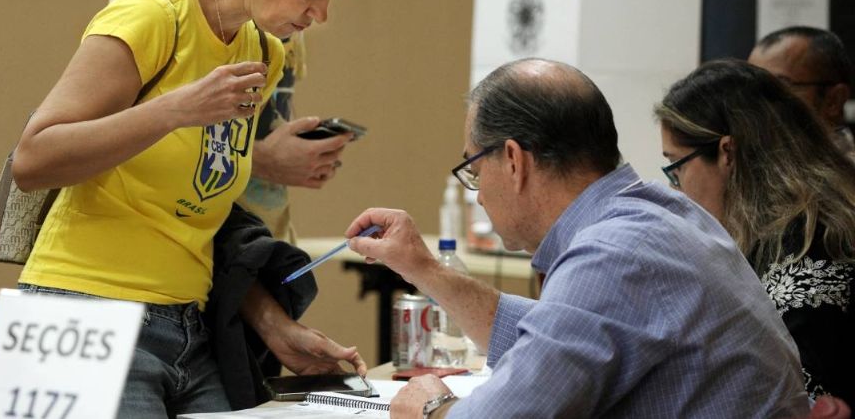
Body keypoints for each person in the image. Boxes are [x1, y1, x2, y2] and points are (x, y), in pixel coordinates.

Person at [10, 0, 382, 417]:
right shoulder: (152, 15)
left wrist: (274, 324)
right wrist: (174, 109)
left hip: (190, 323)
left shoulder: (261, 51)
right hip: (89, 314)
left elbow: (205, 210)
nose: (320, 16)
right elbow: (34, 158)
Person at [345, 58, 808, 418]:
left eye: (474, 167)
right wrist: (423, 268)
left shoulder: (611, 252)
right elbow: (560, 328)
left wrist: (430, 406)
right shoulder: (659, 212)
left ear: (513, 159)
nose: (479, 192)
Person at [109, 0, 352, 243]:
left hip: (246, 237)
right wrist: (260, 159)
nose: (321, 13)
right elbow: (111, 129)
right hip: (160, 243)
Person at [655, 59, 855, 404]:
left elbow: (792, 399)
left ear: (727, 152)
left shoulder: (809, 246)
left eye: (676, 169)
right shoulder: (801, 226)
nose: (675, 190)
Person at [748, 26, 855, 159]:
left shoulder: (847, 174)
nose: (758, 102)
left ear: (834, 100)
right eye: (752, 88)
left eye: (777, 87)